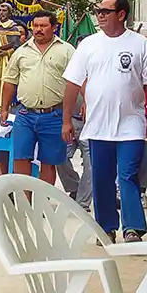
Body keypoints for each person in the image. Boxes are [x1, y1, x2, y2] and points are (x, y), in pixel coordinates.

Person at [63, 0, 147, 244]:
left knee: (127, 175)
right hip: (97, 125)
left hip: (131, 124)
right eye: (98, 11)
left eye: (105, 11)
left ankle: (133, 228)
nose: (100, 15)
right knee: (101, 177)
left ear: (121, 14)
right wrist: (66, 120)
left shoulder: (141, 45)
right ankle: (106, 227)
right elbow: (73, 83)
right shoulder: (88, 45)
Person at [0, 10, 74, 185]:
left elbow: (77, 81)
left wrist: (81, 106)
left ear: (54, 27)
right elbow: (10, 81)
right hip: (25, 114)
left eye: (43, 26)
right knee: (20, 158)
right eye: (36, 26)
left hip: (54, 115)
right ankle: (24, 203)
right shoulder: (21, 51)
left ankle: (42, 204)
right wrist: (4, 109)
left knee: (49, 162)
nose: (38, 29)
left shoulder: (66, 50)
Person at [55, 35, 92, 212]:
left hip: (92, 124)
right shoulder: (69, 69)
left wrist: (88, 100)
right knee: (58, 156)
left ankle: (82, 203)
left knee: (91, 164)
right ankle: (75, 188)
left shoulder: (100, 68)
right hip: (70, 121)